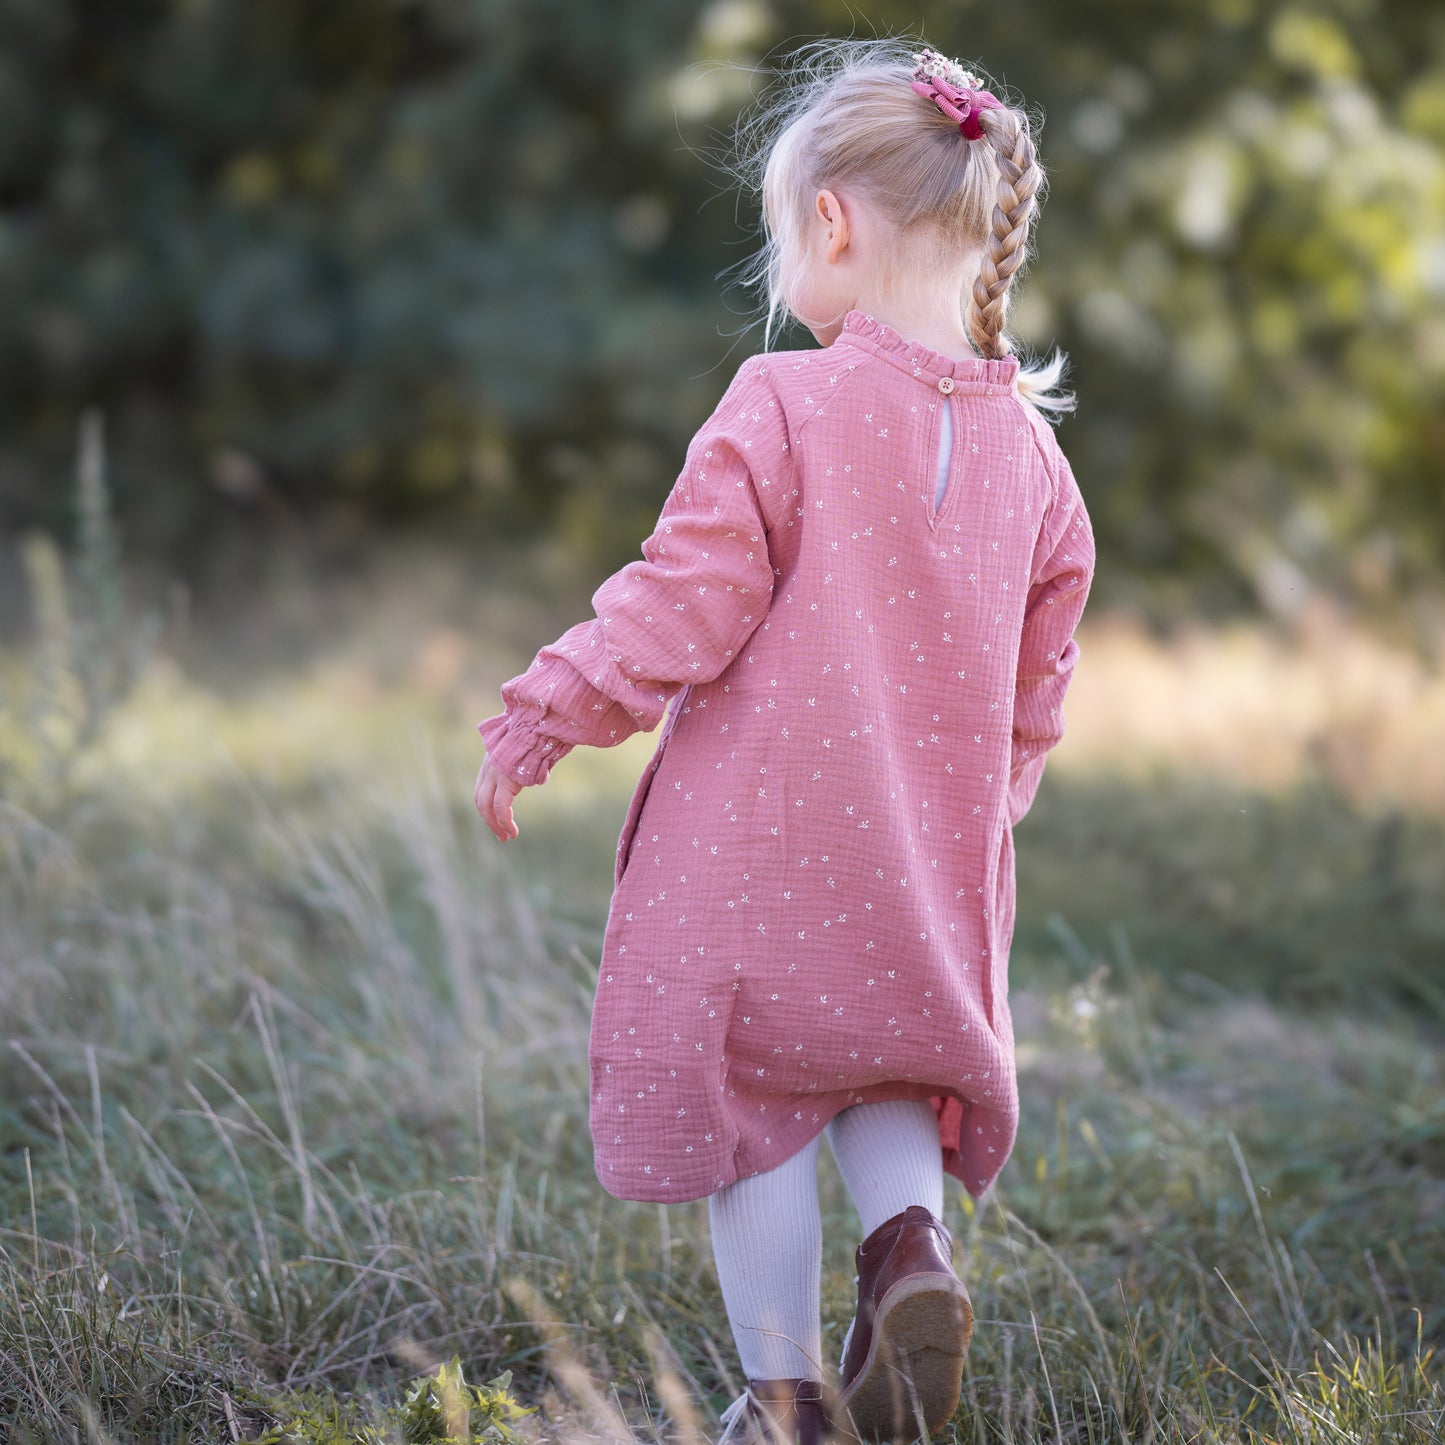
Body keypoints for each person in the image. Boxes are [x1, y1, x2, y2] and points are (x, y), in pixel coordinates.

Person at [475, 37, 1094, 1445]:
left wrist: (547, 708)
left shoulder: (785, 403)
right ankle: (907, 1255)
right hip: (922, 870)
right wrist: (1004, 780)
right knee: (881, 1068)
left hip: (759, 864)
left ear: (833, 224)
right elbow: (1040, 667)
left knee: (751, 1111)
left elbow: (677, 604)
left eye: (781, 240)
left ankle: (789, 1400)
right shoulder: (1036, 461)